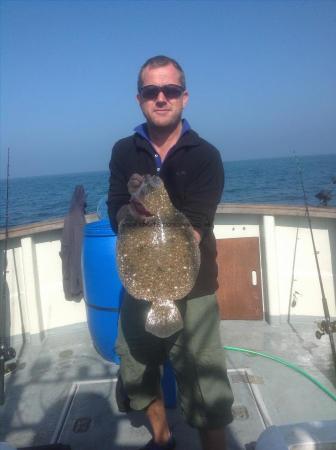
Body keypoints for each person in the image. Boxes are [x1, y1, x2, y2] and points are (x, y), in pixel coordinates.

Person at [107, 55, 234, 450]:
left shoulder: (205, 155)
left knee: (205, 384)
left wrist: (153, 207)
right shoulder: (123, 150)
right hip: (139, 285)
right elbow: (115, 212)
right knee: (137, 369)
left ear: (184, 97)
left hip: (193, 290)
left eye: (171, 90)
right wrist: (131, 207)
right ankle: (162, 439)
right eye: (151, 91)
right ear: (140, 98)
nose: (161, 98)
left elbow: (196, 226)